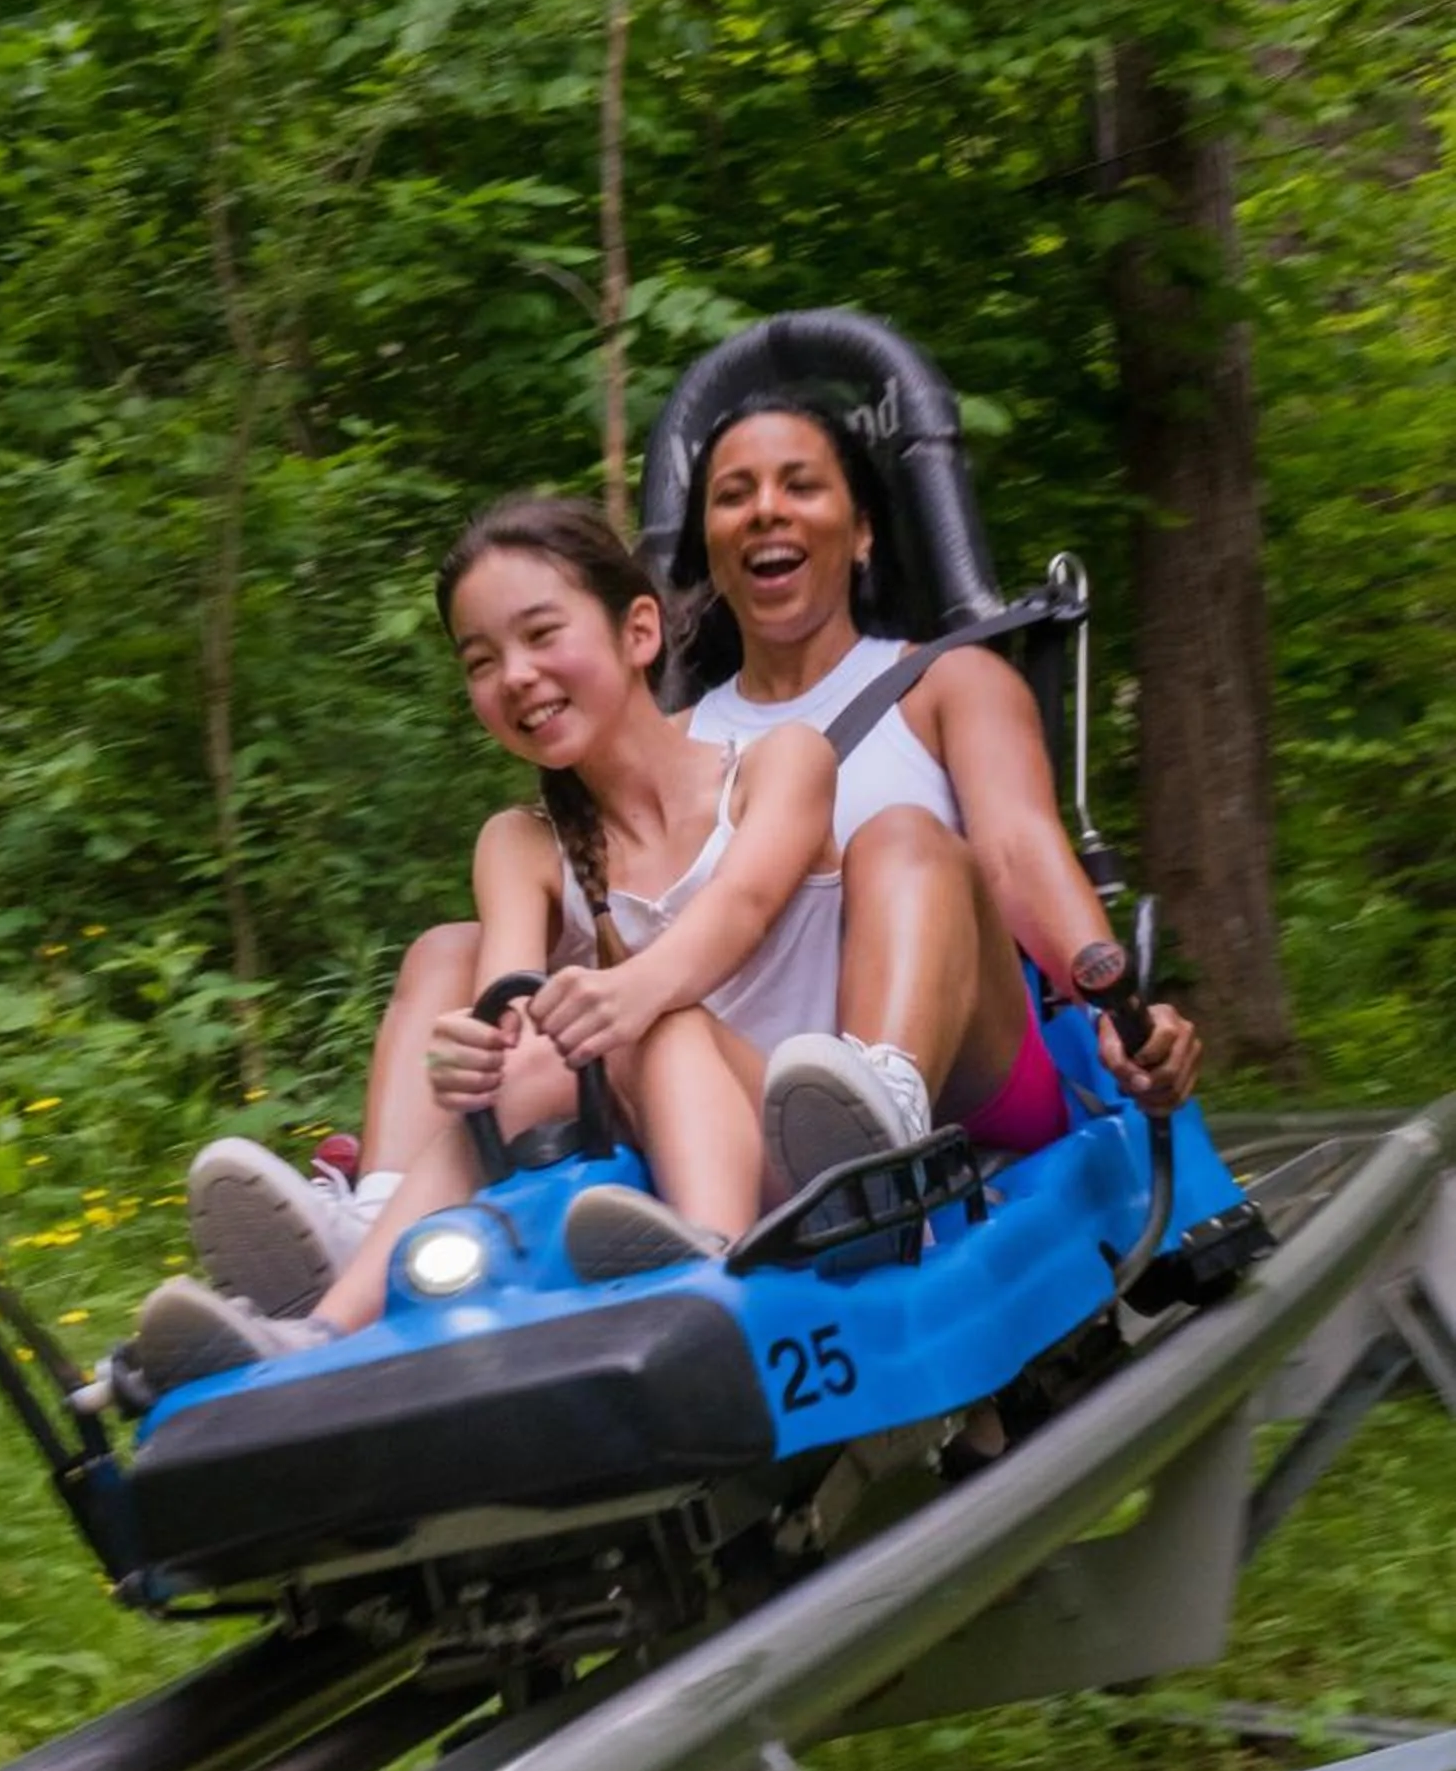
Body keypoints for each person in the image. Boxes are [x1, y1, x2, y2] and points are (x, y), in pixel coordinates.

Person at [185, 399, 1203, 1323]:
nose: (764, 512)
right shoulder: (659, 738)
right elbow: (539, 961)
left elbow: (1018, 851)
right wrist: (496, 1041)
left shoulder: (933, 684)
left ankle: (869, 1123)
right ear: (701, 557)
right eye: (731, 496)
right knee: (453, 953)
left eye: (799, 486)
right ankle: (363, 1249)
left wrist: (1113, 1002)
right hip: (740, 1075)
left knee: (893, 837)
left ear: (860, 532)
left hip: (955, 1036)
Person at [133, 494, 842, 1392]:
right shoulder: (519, 841)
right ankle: (318, 1330)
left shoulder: (781, 760)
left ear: (639, 632)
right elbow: (506, 991)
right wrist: (475, 1053)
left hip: (801, 1154)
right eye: (483, 661)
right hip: (635, 1173)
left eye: (543, 635)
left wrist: (634, 989)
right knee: (530, 1060)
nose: (515, 675)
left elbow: (739, 905)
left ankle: (713, 1278)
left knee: (663, 1019)